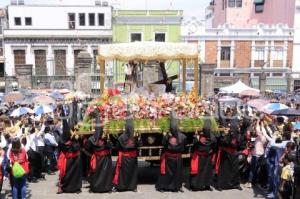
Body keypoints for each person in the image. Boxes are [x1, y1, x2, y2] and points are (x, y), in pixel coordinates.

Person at [156, 111, 186, 192]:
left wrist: (165, 137)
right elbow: (183, 148)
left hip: (170, 156)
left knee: (171, 173)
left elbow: (163, 144)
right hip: (174, 157)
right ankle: (171, 186)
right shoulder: (183, 136)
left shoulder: (168, 136)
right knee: (173, 172)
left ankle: (167, 186)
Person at [112, 112, 142, 192]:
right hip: (132, 158)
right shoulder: (135, 136)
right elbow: (139, 145)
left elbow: (117, 147)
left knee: (122, 174)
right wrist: (138, 138)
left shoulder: (121, 137)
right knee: (132, 173)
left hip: (124, 158)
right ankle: (132, 187)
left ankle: (121, 187)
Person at [57, 106, 82, 194]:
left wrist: (74, 139)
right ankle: (68, 187)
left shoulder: (62, 138)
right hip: (69, 159)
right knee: (69, 174)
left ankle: (75, 187)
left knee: (74, 174)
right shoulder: (65, 139)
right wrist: (75, 139)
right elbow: (76, 147)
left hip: (73, 159)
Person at [87, 115, 113, 193]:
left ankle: (105, 187)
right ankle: (98, 187)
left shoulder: (93, 138)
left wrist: (107, 138)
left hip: (103, 158)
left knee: (103, 174)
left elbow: (87, 148)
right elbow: (110, 147)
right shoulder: (94, 139)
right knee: (98, 173)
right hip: (102, 159)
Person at [215, 122, 242, 191]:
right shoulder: (224, 134)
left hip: (234, 154)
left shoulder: (238, 134)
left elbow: (239, 144)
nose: (238, 128)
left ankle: (235, 184)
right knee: (223, 170)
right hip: (225, 154)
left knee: (235, 169)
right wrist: (224, 135)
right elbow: (222, 142)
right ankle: (220, 185)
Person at [189, 122, 216, 191]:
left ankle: (207, 185)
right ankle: (194, 185)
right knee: (198, 171)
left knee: (207, 172)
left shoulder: (211, 137)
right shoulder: (200, 137)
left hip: (207, 157)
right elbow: (195, 146)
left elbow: (214, 146)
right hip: (199, 156)